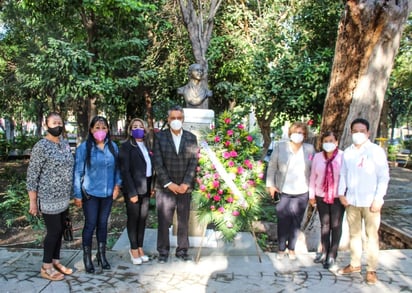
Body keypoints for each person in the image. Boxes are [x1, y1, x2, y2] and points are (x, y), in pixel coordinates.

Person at [337, 118, 390, 285]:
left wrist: (379, 198)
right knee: (354, 235)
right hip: (352, 201)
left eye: (362, 131)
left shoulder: (376, 151)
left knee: (371, 237)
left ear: (368, 133)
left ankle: (371, 270)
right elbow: (343, 174)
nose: (358, 134)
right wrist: (341, 194)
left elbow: (383, 177)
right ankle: (354, 264)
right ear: (351, 132)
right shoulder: (348, 152)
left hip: (371, 202)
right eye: (355, 131)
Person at [26, 112, 74, 281]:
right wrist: (33, 201)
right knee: (53, 231)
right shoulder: (41, 146)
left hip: (63, 197)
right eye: (54, 123)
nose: (57, 126)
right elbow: (32, 175)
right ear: (47, 126)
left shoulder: (65, 144)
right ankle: (46, 267)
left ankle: (55, 261)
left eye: (60, 122)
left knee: (60, 230)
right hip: (48, 197)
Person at [73, 116, 121, 273]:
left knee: (103, 224)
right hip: (91, 194)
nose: (101, 131)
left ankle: (102, 255)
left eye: (104, 128)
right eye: (97, 128)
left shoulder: (113, 147)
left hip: (107, 194)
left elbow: (117, 169)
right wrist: (77, 194)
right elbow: (78, 173)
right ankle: (87, 258)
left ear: (108, 130)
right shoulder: (84, 148)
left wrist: (117, 185)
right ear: (91, 130)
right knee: (90, 224)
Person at [153, 105, 198, 263]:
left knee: (183, 221)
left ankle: (182, 250)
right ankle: (163, 252)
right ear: (168, 119)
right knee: (164, 221)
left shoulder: (191, 138)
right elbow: (157, 163)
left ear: (183, 119)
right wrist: (169, 184)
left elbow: (194, 162)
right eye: (173, 118)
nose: (176, 121)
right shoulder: (160, 137)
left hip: (185, 188)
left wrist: (186, 183)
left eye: (179, 118)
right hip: (165, 188)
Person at [266, 121, 315, 260]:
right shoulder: (281, 147)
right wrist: (271, 185)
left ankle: (291, 248)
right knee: (282, 219)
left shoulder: (310, 149)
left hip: (302, 191)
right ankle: (281, 249)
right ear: (290, 134)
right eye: (295, 132)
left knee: (296, 221)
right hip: (282, 190)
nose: (297, 135)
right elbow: (272, 167)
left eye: (300, 133)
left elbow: (314, 170)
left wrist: (314, 191)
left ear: (304, 135)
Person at [119, 118, 153, 265]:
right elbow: (125, 171)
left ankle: (140, 247)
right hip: (133, 189)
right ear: (130, 129)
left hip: (146, 188)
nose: (138, 128)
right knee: (133, 219)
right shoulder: (126, 146)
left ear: (145, 129)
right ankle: (133, 249)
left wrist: (151, 187)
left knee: (142, 219)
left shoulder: (147, 145)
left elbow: (150, 168)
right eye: (135, 126)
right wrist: (132, 192)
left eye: (140, 126)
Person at [309, 131, 344, 271]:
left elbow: (346, 177)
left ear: (336, 142)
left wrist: (344, 194)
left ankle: (332, 254)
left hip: (337, 196)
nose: (328, 143)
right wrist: (311, 195)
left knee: (336, 225)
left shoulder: (343, 157)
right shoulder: (317, 157)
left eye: (331, 140)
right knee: (325, 224)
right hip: (320, 195)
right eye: (326, 141)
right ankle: (324, 251)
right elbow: (312, 176)